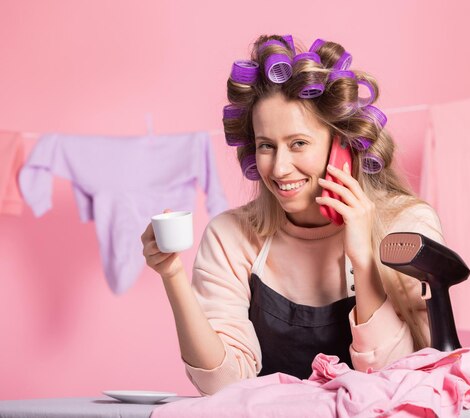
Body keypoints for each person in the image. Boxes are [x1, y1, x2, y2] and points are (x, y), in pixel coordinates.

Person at [141, 34, 445, 396]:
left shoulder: (407, 228)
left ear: (342, 146)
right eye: (266, 146)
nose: (281, 168)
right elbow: (221, 385)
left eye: (298, 143)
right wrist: (172, 273)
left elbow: (398, 381)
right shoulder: (232, 235)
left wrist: (364, 260)